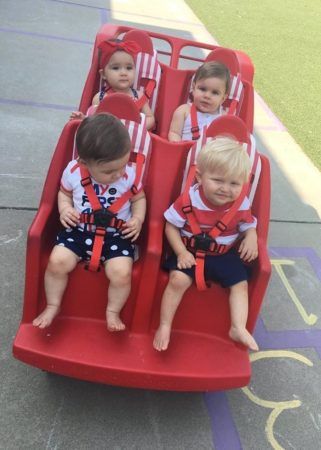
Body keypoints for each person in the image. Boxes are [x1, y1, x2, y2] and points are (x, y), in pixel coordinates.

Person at [33, 113, 146, 332]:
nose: (118, 174)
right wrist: (65, 208)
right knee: (56, 263)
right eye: (109, 171)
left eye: (122, 165)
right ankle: (52, 305)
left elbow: (139, 198)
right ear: (83, 162)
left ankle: (112, 311)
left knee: (121, 273)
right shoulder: (74, 172)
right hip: (79, 232)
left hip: (116, 236)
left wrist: (138, 218)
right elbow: (64, 193)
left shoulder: (129, 175)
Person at [153, 136, 259, 352]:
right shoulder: (188, 200)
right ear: (200, 177)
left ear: (244, 183)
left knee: (241, 284)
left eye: (234, 184)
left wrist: (251, 237)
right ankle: (164, 325)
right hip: (189, 251)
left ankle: (237, 327)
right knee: (177, 280)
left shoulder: (241, 204)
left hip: (223, 254)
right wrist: (181, 252)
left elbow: (248, 225)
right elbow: (170, 227)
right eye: (218, 181)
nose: (225, 189)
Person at [70, 39, 155, 130]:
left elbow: (150, 118)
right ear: (103, 74)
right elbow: (94, 121)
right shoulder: (100, 97)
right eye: (116, 68)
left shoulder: (139, 95)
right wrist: (83, 119)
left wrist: (137, 128)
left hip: (133, 138)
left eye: (129, 68)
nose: (123, 73)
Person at [168, 61, 230, 141]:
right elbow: (174, 133)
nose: (207, 96)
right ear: (193, 88)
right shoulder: (184, 111)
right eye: (202, 89)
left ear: (223, 98)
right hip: (185, 152)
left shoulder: (224, 118)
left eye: (215, 92)